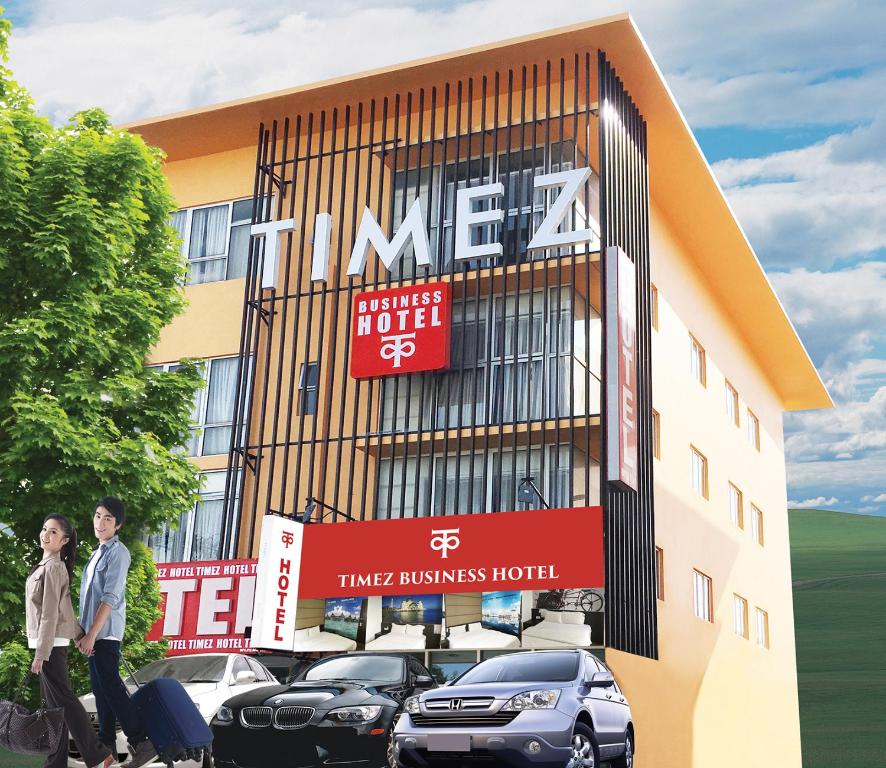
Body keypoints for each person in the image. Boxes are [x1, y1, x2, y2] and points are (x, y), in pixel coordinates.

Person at [26, 514, 114, 768]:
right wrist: (79, 635)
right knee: (57, 708)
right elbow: (65, 609)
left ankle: (98, 753)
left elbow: (51, 613)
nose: (46, 535)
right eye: (45, 529)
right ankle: (57, 762)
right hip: (50, 642)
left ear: (64, 540)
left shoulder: (53, 567)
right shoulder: (47, 565)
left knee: (63, 701)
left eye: (53, 532)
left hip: (50, 644)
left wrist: (41, 653)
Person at [77, 497, 157, 768]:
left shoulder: (118, 553)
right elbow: (88, 600)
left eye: (108, 518)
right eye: (98, 516)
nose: (101, 522)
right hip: (92, 633)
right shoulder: (96, 553)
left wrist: (91, 635)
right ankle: (107, 748)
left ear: (118, 524)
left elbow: (109, 597)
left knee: (110, 686)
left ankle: (142, 740)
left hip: (105, 633)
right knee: (102, 692)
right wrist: (82, 632)